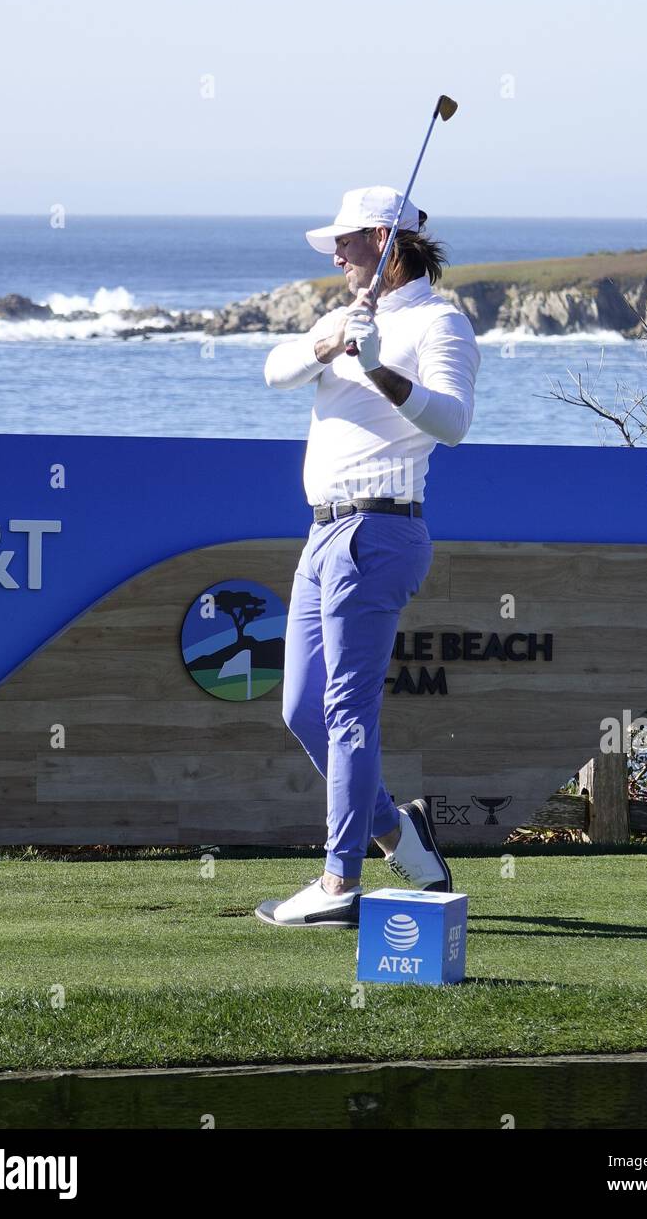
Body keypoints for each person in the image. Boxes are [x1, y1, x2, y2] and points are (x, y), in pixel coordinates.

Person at [255, 185, 480, 927]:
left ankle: (338, 883)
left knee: (347, 708)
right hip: (321, 533)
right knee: (300, 708)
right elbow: (274, 372)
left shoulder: (441, 323)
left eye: (347, 242)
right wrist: (331, 342)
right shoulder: (343, 315)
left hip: (378, 531)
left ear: (387, 240)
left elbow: (452, 424)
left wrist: (382, 368)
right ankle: (391, 827)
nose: (338, 254)